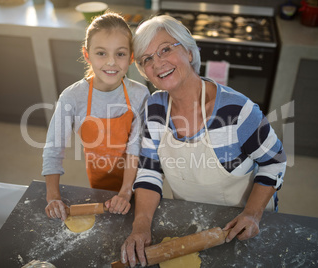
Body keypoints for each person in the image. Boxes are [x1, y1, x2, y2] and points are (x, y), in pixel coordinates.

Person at [120, 15, 287, 267]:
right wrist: (141, 225)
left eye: (165, 49)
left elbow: (274, 162)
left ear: (188, 52)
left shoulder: (237, 110)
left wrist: (252, 214)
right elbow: (149, 170)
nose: (159, 63)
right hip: (191, 220)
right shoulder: (154, 108)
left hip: (241, 225)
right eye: (148, 59)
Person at [42, 12, 150, 221]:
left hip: (140, 182)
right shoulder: (73, 97)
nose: (111, 62)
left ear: (131, 56)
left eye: (120, 54)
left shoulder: (140, 94)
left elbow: (135, 148)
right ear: (87, 54)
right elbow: (53, 149)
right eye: (101, 53)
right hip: (99, 182)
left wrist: (126, 191)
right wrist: (53, 197)